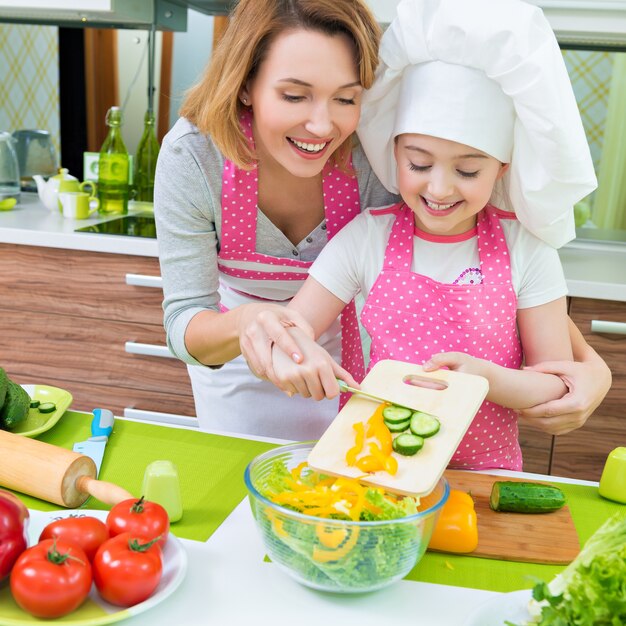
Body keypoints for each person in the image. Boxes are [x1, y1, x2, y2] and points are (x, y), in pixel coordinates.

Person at [154, 0, 611, 440]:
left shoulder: (375, 154)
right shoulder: (195, 158)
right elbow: (184, 316)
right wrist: (249, 322)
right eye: (294, 95)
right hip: (241, 362)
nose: (322, 126)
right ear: (245, 84)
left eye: (345, 98)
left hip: (358, 381)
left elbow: (503, 276)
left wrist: (592, 367)